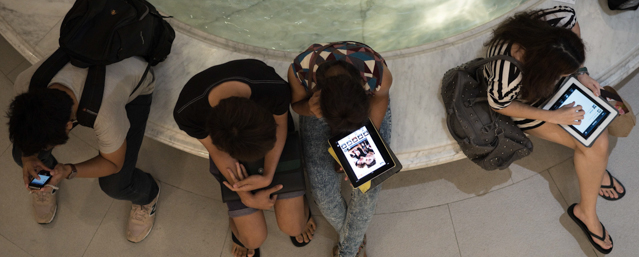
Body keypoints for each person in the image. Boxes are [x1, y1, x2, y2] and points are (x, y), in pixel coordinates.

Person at [483, 6, 625, 254]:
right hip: (528, 104)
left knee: (596, 137)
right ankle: (586, 213)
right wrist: (554, 116)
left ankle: (593, 171)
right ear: (545, 69)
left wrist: (580, 73)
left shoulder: (557, 19)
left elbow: (573, 22)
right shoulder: (508, 69)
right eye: (563, 71)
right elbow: (501, 104)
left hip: (551, 88)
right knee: (595, 143)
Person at [8, 56, 160, 243]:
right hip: (93, 76)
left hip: (139, 80)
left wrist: (68, 170)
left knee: (116, 185)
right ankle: (46, 174)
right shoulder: (25, 83)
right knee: (19, 153)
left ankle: (147, 195)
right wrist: (27, 158)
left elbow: (113, 163)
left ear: (69, 125)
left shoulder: (105, 114)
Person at [173, 59, 315, 257]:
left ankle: (296, 200)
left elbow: (281, 125)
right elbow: (216, 152)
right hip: (231, 155)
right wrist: (244, 195)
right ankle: (290, 196)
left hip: (274, 144)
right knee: (253, 239)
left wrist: (267, 175)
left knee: (294, 227)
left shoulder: (272, 88)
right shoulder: (188, 112)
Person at [288, 41, 393, 257]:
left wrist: (362, 146)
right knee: (323, 195)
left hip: (357, 108)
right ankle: (355, 239)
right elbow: (296, 105)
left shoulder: (377, 73)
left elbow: (381, 98)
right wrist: (309, 108)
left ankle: (348, 250)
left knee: (369, 188)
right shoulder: (300, 70)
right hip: (319, 109)